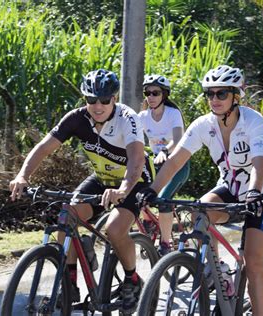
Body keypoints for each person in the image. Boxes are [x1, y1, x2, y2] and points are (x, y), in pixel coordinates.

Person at [137, 65, 263, 315]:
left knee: (252, 262)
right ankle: (220, 273)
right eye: (210, 94)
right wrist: (152, 189)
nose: (214, 99)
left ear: (235, 96)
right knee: (200, 213)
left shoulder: (253, 121)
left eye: (221, 94)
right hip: (231, 189)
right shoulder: (203, 125)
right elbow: (175, 161)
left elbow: (259, 161)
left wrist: (254, 192)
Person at [10, 69, 155, 314]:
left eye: (104, 100)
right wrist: (23, 175)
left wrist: (123, 189)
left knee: (115, 228)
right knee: (66, 216)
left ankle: (132, 280)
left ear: (114, 98)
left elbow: (136, 159)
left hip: (135, 180)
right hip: (102, 179)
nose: (97, 106)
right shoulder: (77, 119)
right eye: (91, 100)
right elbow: (44, 147)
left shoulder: (128, 118)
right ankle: (70, 284)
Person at [138, 74, 190, 255]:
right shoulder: (143, 116)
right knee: (139, 192)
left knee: (164, 200)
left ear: (164, 95)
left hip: (177, 164)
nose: (150, 97)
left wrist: (164, 151)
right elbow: (132, 137)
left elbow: (177, 139)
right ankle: (149, 222)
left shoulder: (173, 114)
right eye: (147, 93)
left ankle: (166, 244)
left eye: (155, 93)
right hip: (157, 164)